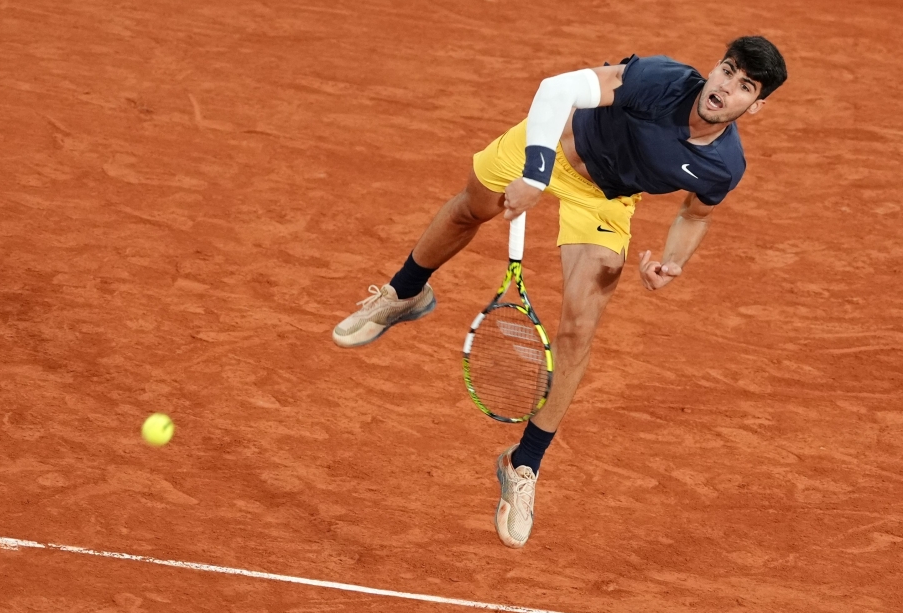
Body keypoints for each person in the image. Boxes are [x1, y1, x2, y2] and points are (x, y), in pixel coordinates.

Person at [332, 36, 788, 548]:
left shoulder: (724, 166)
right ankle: (405, 293)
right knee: (472, 209)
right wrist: (537, 169)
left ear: (757, 104)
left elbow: (694, 211)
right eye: (726, 71)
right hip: (550, 146)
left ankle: (523, 463)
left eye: (744, 86)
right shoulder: (659, 81)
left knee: (579, 327)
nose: (725, 88)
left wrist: (672, 262)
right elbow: (556, 90)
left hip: (604, 200)